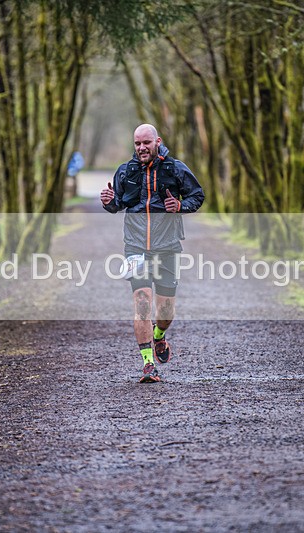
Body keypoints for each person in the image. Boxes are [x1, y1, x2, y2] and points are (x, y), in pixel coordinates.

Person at [101, 124, 205, 383]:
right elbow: (118, 204)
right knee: (142, 303)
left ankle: (159, 336)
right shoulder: (125, 171)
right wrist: (108, 202)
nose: (141, 148)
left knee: (166, 312)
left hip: (167, 246)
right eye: (137, 144)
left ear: (157, 141)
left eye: (146, 142)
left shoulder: (175, 169)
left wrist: (181, 205)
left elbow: (198, 195)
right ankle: (148, 365)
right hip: (135, 247)